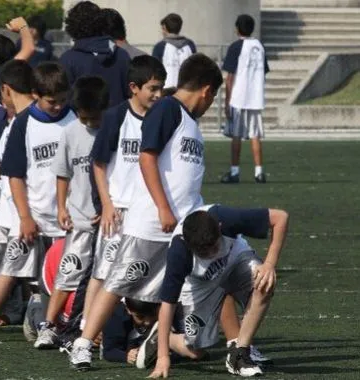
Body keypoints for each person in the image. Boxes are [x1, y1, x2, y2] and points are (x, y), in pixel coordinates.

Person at [69, 54, 223, 371]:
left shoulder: (189, 122)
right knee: (119, 282)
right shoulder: (167, 109)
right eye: (214, 97)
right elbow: (146, 158)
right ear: (207, 91)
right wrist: (164, 209)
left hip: (184, 224)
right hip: (152, 222)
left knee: (215, 273)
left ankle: (226, 345)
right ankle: (83, 344)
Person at [0, 62, 77, 343]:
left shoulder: (73, 119)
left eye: (63, 100)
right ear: (36, 94)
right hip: (34, 215)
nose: (58, 106)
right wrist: (25, 216)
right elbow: (14, 174)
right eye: (52, 101)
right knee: (14, 269)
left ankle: (52, 325)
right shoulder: (24, 124)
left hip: (67, 217)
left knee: (63, 274)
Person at [151, 205, 288, 378]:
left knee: (264, 283)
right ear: (188, 245)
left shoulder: (228, 217)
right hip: (200, 282)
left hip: (236, 258)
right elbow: (167, 305)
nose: (210, 254)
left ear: (220, 227)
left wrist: (269, 264)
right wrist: (162, 357)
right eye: (203, 252)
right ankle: (164, 338)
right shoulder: (179, 253)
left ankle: (241, 352)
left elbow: (280, 217)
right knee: (195, 351)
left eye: (214, 247)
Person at [85, 55, 166, 330]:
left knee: (143, 272)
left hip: (148, 211)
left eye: (161, 88)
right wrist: (106, 204)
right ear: (134, 87)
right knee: (104, 274)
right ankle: (86, 329)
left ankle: (139, 327)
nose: (157, 94)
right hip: (118, 210)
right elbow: (98, 163)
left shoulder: (164, 117)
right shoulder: (116, 116)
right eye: (152, 88)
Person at [34, 76, 109, 349]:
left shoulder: (112, 131)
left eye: (94, 118)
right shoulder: (70, 132)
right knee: (68, 273)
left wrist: (109, 207)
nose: (89, 124)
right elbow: (63, 173)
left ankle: (90, 329)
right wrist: (62, 207)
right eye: (84, 118)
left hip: (109, 223)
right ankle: (49, 326)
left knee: (104, 278)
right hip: (79, 219)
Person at [220, 14, 270, 184]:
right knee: (255, 135)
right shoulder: (260, 46)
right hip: (255, 97)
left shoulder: (236, 47)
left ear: (237, 29)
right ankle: (259, 172)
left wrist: (227, 102)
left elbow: (230, 77)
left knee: (236, 135)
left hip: (239, 97)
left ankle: (234, 172)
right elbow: (263, 72)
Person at [60, 1, 131, 107]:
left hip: (81, 122)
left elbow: (64, 100)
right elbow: (130, 95)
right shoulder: (122, 55)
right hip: (118, 121)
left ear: (71, 27)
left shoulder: (68, 60)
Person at [152, 13, 197, 90]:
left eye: (162, 29)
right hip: (186, 90)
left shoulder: (160, 47)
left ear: (165, 28)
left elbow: (154, 71)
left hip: (166, 90)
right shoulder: (190, 45)